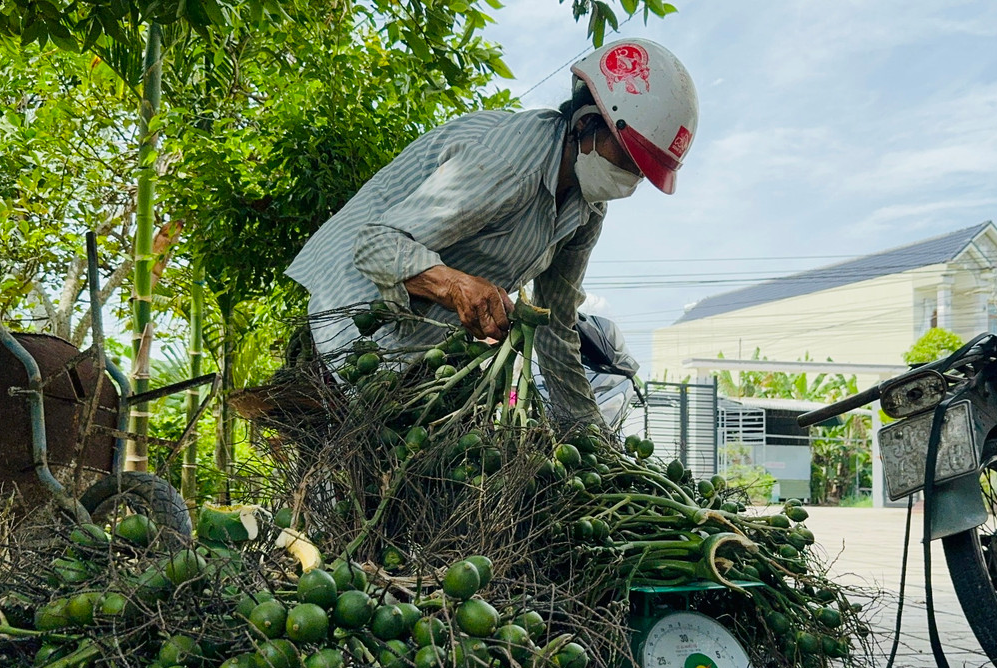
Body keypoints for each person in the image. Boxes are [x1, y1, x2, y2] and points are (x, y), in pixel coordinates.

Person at [285, 38, 697, 427]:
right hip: (353, 323)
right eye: (627, 158)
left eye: (641, 172)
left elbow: (556, 326)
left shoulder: (586, 211)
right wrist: (454, 286)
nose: (630, 177)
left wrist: (588, 433)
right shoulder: (511, 163)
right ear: (588, 122)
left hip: (413, 351)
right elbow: (377, 243)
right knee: (361, 486)